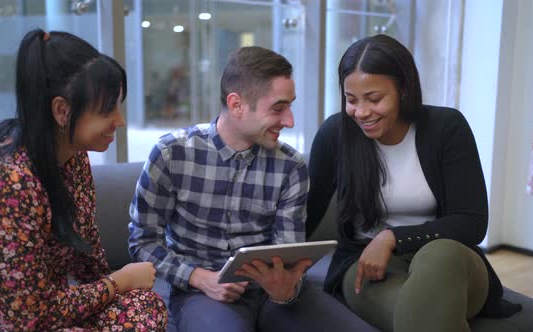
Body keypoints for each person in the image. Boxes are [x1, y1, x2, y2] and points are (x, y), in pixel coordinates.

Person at [128, 46, 375, 332]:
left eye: (290, 106)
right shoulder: (172, 154)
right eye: (278, 108)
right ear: (236, 105)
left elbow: (288, 251)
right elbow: (142, 241)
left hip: (275, 295)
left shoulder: (291, 167)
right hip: (202, 293)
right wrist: (198, 277)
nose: (290, 121)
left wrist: (288, 288)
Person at [0, 29, 167, 331]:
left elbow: (86, 250)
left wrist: (120, 288)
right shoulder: (4, 183)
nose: (119, 120)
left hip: (44, 309)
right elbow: (26, 317)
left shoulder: (73, 156)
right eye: (107, 110)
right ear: (62, 111)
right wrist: (119, 281)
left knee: (144, 307)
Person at [306, 34, 521, 331]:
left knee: (440, 255)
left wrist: (392, 237)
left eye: (374, 98)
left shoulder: (447, 128)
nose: (361, 112)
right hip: (368, 264)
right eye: (351, 99)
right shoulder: (335, 135)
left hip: (450, 261)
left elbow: (471, 223)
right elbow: (307, 213)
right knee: (426, 316)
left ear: (404, 90)